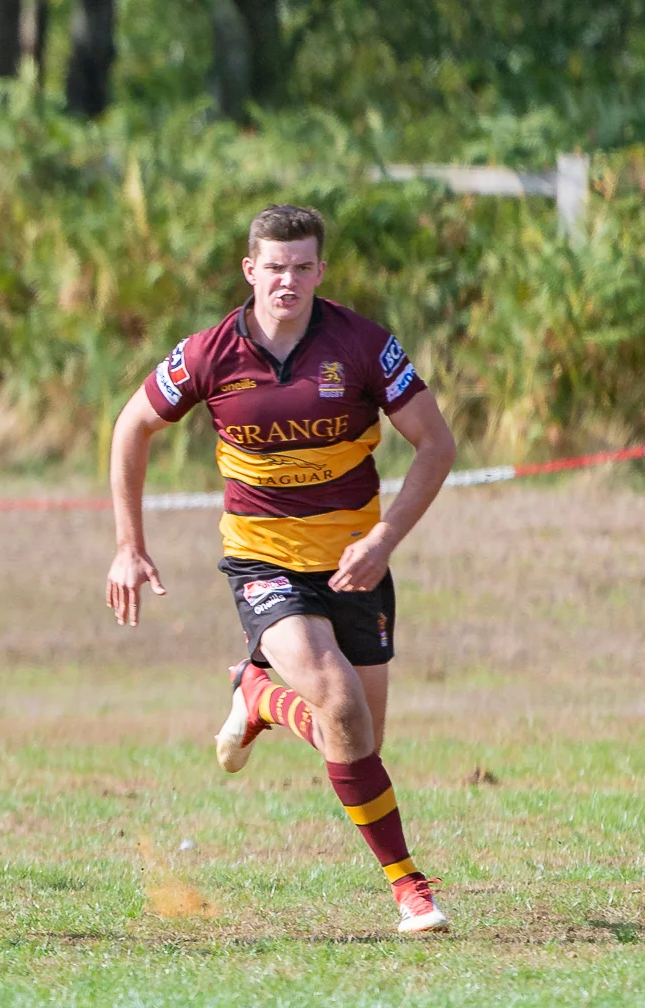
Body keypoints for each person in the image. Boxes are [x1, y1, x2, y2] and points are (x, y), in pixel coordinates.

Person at [107, 204, 455, 935]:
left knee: (356, 741)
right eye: (275, 267)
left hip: (357, 562)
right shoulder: (209, 353)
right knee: (338, 700)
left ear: (320, 271)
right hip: (264, 561)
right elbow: (131, 426)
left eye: (302, 267)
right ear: (250, 270)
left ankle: (257, 693)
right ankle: (410, 887)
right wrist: (128, 544)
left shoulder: (362, 344)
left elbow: (437, 444)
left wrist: (385, 539)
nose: (288, 281)